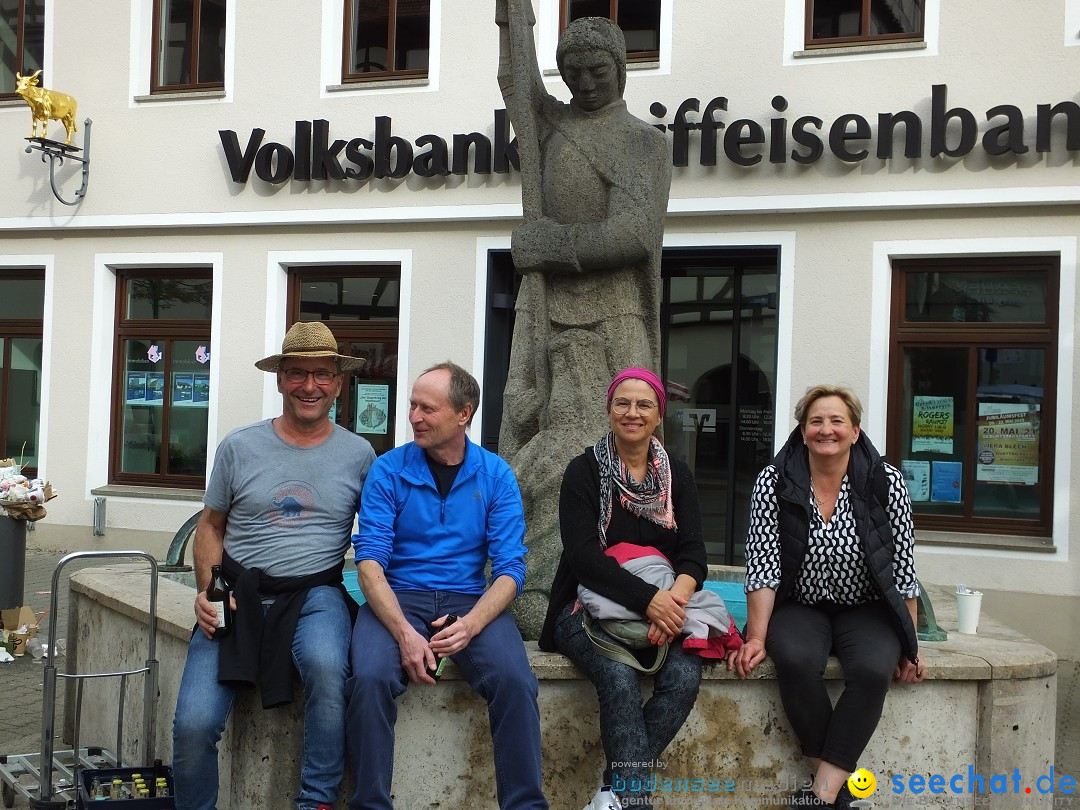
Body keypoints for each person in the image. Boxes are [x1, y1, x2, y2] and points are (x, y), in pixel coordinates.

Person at [172, 321, 376, 810]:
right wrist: (208, 591)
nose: (311, 386)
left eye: (322, 375)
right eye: (299, 374)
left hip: (317, 594)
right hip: (237, 594)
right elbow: (210, 526)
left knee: (329, 671)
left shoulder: (360, 455)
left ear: (338, 382)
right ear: (281, 378)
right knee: (193, 723)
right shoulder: (239, 447)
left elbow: (378, 538)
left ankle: (316, 801)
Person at [345, 362, 548, 810]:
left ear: (463, 414)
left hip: (468, 600)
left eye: (426, 408)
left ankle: (526, 806)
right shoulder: (388, 471)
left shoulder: (495, 476)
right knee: (371, 678)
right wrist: (404, 632)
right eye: (412, 405)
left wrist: (471, 625)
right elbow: (370, 564)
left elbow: (512, 569)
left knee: (516, 681)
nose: (414, 416)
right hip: (396, 597)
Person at [540, 368, 742, 810]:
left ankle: (615, 792)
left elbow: (694, 555)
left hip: (666, 607)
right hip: (585, 607)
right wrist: (649, 601)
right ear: (610, 410)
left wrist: (672, 602)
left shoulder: (679, 476)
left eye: (644, 404)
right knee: (618, 678)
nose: (632, 413)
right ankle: (634, 804)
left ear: (658, 416)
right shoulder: (584, 471)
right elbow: (583, 557)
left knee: (684, 678)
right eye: (623, 404)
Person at [732, 385, 927, 809]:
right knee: (798, 662)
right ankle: (838, 797)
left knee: (875, 670)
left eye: (837, 421)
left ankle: (820, 795)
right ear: (802, 431)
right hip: (800, 602)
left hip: (866, 606)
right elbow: (763, 563)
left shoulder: (884, 482)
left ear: (855, 431)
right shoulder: (775, 481)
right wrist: (756, 638)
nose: (827, 430)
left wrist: (910, 644)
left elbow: (903, 570)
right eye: (816, 421)